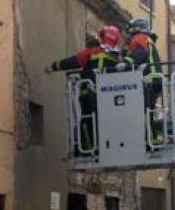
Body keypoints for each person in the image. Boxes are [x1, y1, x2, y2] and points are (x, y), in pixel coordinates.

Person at [46, 25, 128, 153]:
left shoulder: (92, 52)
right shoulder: (118, 58)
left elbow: (74, 61)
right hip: (109, 97)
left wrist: (53, 66)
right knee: (105, 121)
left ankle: (88, 147)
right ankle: (105, 146)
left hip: (88, 93)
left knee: (87, 119)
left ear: (103, 37)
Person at [125, 18, 165, 144]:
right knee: (148, 109)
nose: (129, 34)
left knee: (143, 110)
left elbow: (139, 54)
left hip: (149, 79)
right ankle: (152, 137)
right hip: (155, 80)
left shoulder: (141, 37)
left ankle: (150, 138)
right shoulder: (148, 40)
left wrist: (124, 63)